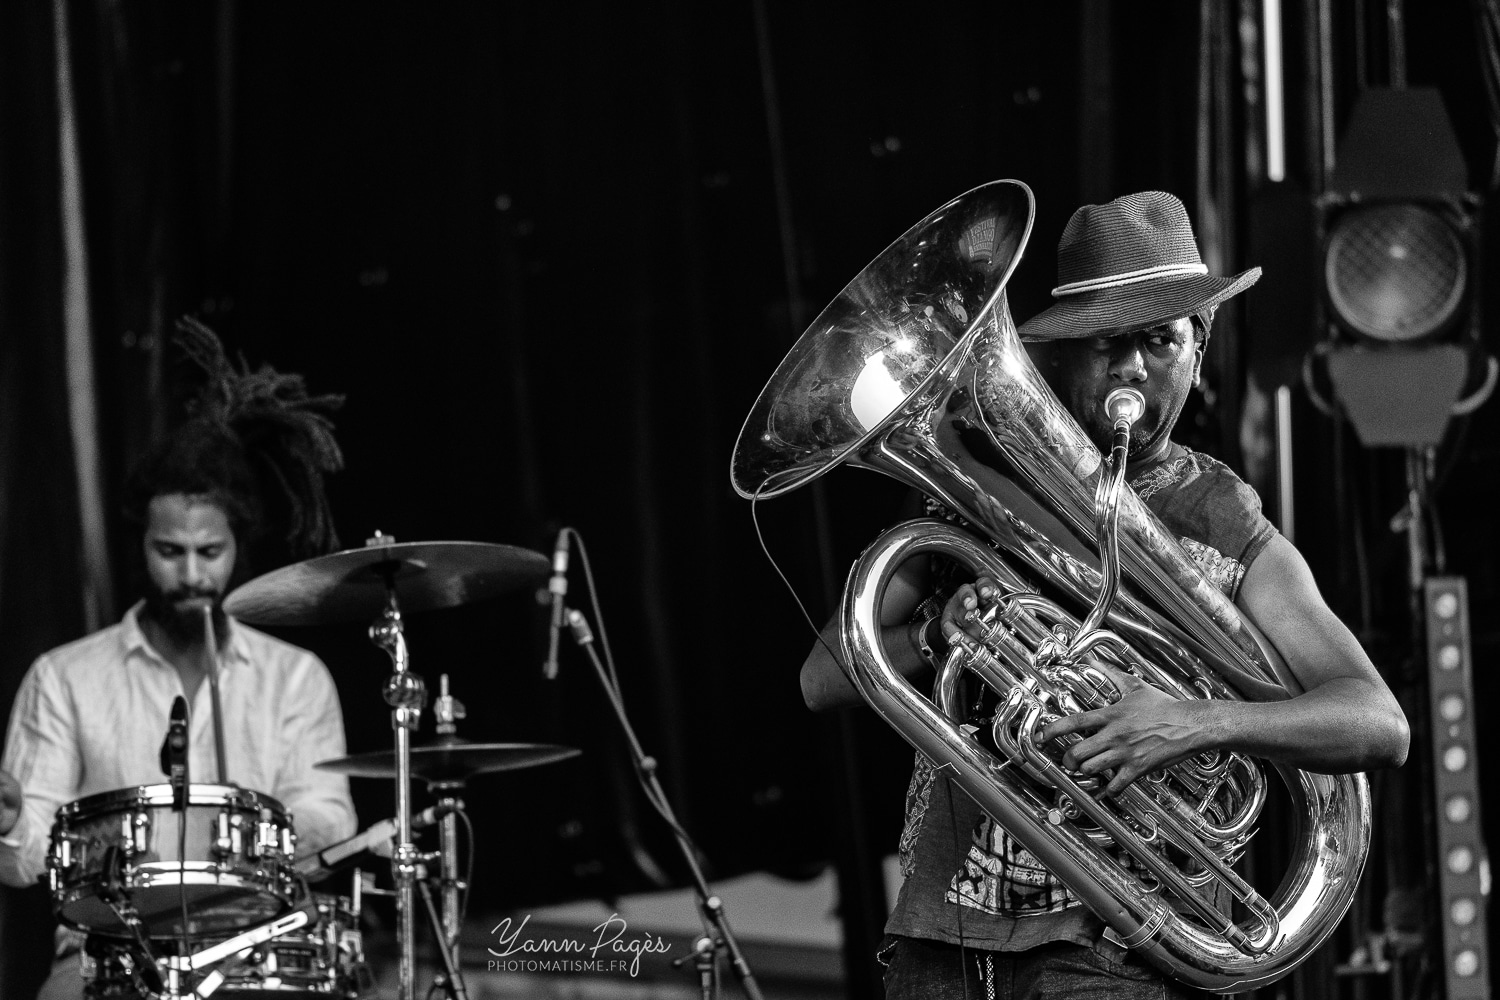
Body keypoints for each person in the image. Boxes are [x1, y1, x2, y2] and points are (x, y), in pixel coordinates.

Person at [799, 191, 1410, 998]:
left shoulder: (1225, 523)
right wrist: (937, 637)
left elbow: (1378, 723)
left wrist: (1194, 723)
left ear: (1199, 351)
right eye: (1107, 343)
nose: (1131, 368)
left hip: (1120, 954)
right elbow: (822, 680)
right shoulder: (976, 488)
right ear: (1063, 356)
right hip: (940, 938)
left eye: (1160, 341)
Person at [0, 319, 358, 1000]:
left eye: (209, 553)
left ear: (237, 548)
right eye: (170, 553)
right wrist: (14, 818)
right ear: (143, 545)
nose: (191, 575)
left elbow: (331, 818)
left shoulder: (296, 678)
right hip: (106, 955)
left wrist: (247, 840)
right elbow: (25, 863)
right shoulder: (63, 677)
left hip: (259, 950)